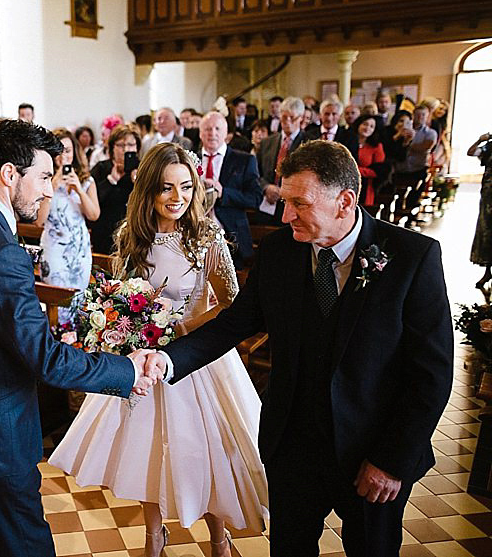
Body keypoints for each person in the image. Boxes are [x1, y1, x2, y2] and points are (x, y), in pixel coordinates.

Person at [144, 140, 453, 556]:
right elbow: (232, 324)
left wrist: (391, 460)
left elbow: (431, 374)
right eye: (285, 201)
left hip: (371, 453)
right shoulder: (279, 251)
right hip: (293, 447)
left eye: (299, 203)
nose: (286, 215)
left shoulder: (411, 257)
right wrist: (165, 359)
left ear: (344, 201)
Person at [0, 119, 155, 557]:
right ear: (9, 174)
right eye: (43, 176)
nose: (49, 189)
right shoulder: (1, 248)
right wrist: (125, 369)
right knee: (26, 545)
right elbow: (43, 358)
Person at [50, 143, 267, 557]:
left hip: (198, 358)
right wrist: (119, 327)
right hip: (144, 362)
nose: (177, 197)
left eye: (185, 187)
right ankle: (154, 535)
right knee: (147, 450)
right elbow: (121, 297)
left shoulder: (207, 238)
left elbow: (233, 306)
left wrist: (181, 326)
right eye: (166, 188)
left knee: (207, 450)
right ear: (149, 190)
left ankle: (218, 536)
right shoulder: (132, 237)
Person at [36, 129, 99, 320]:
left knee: (80, 297)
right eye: (60, 151)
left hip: (79, 249)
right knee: (58, 298)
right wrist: (52, 188)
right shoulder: (43, 181)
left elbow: (94, 215)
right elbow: (39, 220)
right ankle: (58, 335)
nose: (64, 156)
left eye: (69, 150)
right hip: (54, 249)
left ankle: (77, 338)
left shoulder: (86, 179)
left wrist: (79, 190)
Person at [199, 111, 263, 268]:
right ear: (200, 133)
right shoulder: (189, 160)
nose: (212, 133)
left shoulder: (244, 160)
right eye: (207, 129)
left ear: (226, 133)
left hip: (232, 241)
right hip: (195, 240)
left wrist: (224, 193)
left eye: (217, 129)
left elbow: (255, 198)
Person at [257, 97, 311, 226]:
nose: (287, 122)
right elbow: (256, 173)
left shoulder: (310, 144)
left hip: (295, 207)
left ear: (301, 118)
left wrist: (285, 192)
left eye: (292, 118)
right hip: (267, 203)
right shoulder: (267, 142)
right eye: (284, 117)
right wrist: (266, 187)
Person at [90, 125, 141, 255]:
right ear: (112, 147)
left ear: (137, 147)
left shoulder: (143, 168)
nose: (126, 149)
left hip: (134, 233)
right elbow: (92, 202)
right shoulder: (101, 169)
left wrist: (138, 182)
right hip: (105, 233)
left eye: (130, 145)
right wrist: (111, 180)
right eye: (121, 145)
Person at [469, 132, 492, 289]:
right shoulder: (489, 147)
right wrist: (479, 139)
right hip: (489, 196)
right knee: (487, 231)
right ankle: (488, 270)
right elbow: (471, 152)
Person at [355, 114, 386, 210]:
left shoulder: (376, 146)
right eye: (365, 124)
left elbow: (377, 171)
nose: (367, 128)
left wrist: (355, 170)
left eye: (371, 126)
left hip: (366, 185)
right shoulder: (348, 140)